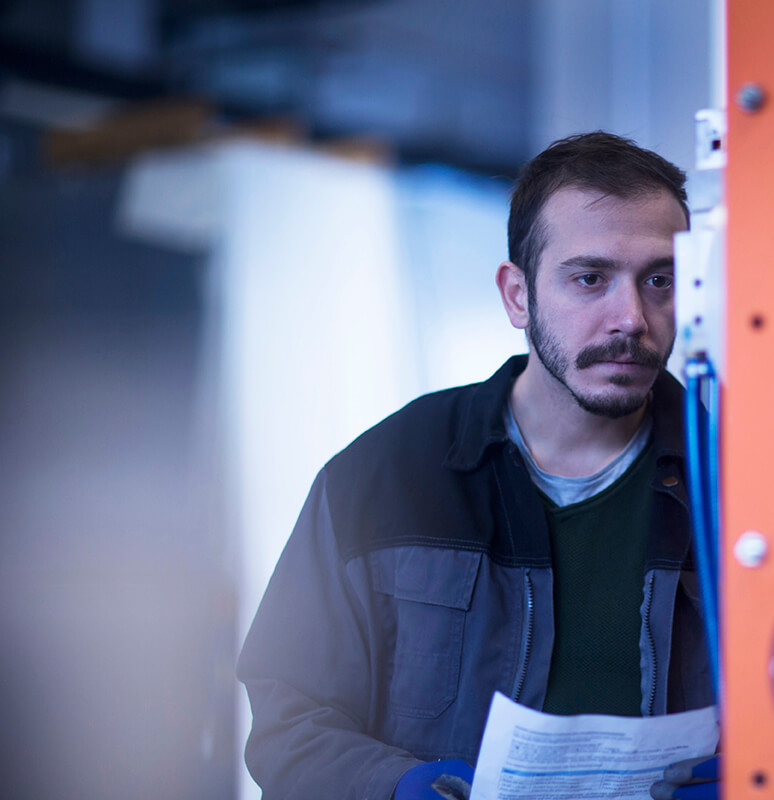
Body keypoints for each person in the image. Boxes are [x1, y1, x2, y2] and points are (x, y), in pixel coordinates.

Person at [237, 132, 717, 800]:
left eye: (658, 280)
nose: (631, 318)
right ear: (517, 296)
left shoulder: (739, 480)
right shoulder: (384, 477)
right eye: (590, 278)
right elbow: (288, 724)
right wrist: (397, 787)